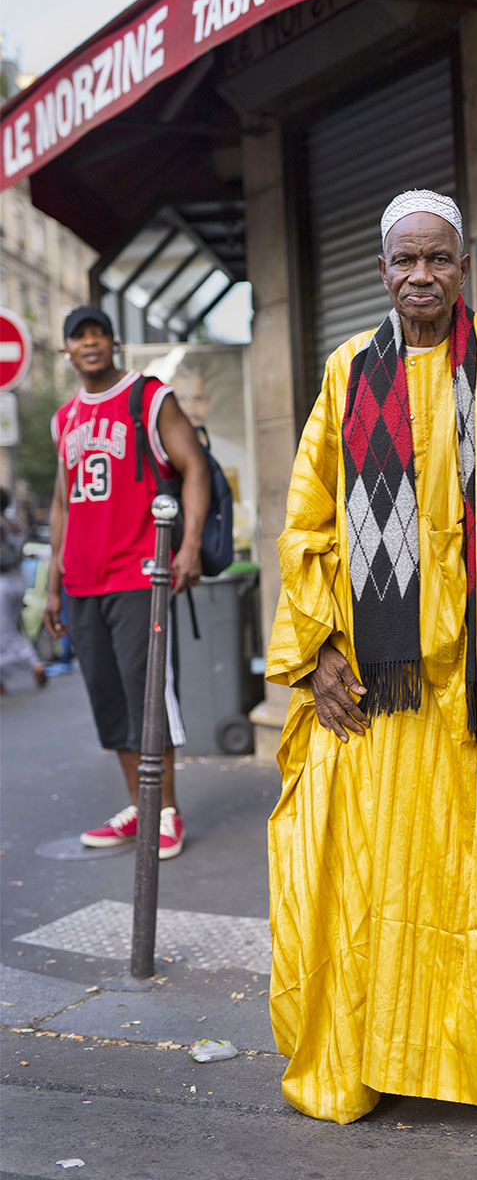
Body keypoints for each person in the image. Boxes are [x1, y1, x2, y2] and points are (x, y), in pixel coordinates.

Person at [265, 190, 477, 1124]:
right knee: (376, 865)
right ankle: (379, 1050)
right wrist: (320, 650)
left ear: (464, 266)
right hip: (381, 674)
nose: (422, 275)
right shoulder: (347, 372)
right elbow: (306, 523)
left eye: (438, 258)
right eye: (405, 260)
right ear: (382, 271)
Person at [44, 306, 210, 859]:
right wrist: (53, 585)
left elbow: (194, 466)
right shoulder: (64, 418)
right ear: (67, 350)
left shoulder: (147, 397)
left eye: (99, 333)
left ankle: (166, 811)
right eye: (79, 336)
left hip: (140, 574)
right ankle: (139, 807)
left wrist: (188, 546)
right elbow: (63, 504)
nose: (90, 342)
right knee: (110, 699)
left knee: (147, 694)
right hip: (83, 581)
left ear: (113, 343)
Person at [0, 487, 47, 694]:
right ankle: (32, 662)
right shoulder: (15, 523)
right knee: (14, 627)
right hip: (19, 579)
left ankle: (32, 662)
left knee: (5, 631)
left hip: (3, 583)